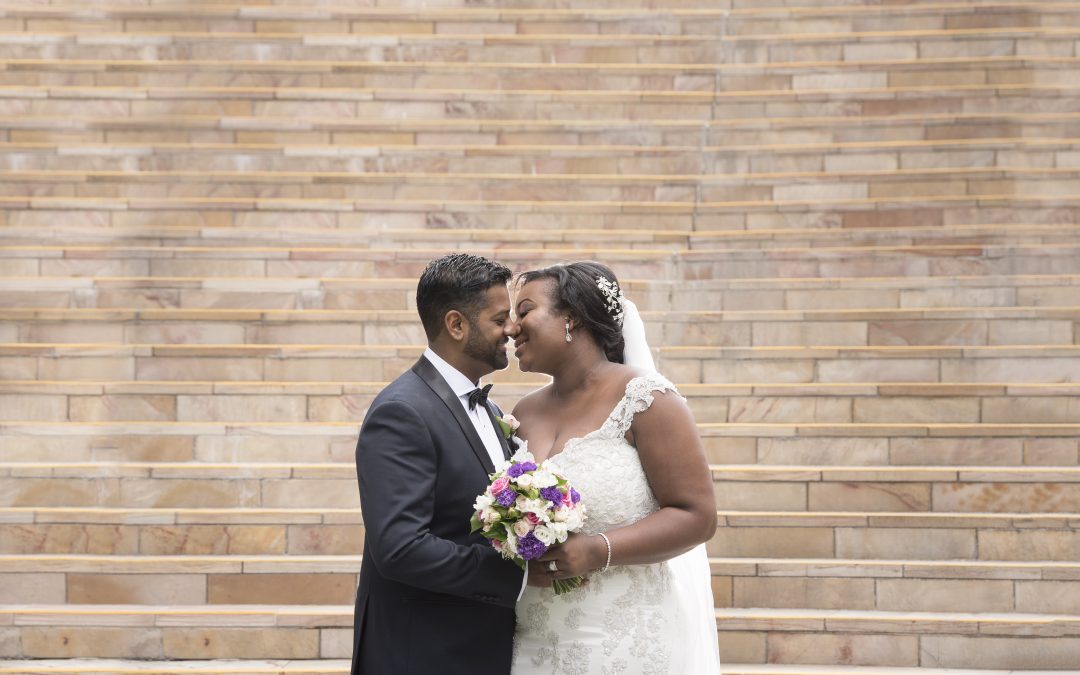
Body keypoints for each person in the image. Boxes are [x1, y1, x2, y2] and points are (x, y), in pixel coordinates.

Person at [508, 261, 721, 674]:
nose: (512, 328)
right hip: (534, 638)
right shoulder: (524, 412)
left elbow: (698, 515)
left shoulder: (647, 400)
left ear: (571, 317)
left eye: (525, 311)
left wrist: (596, 550)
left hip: (623, 639)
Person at [350, 253, 526, 675]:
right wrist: (517, 576)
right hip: (423, 652)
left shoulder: (491, 409)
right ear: (456, 324)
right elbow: (400, 547)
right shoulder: (402, 411)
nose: (513, 329)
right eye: (500, 319)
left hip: (479, 647)